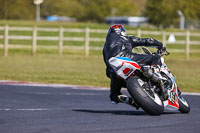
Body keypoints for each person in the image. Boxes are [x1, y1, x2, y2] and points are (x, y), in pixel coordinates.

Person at [103, 24, 166, 108]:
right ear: (122, 31)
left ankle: (129, 101)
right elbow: (147, 41)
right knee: (156, 58)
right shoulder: (126, 38)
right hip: (126, 57)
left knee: (114, 95)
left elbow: (106, 62)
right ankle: (157, 75)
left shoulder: (105, 47)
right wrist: (160, 45)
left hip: (113, 70)